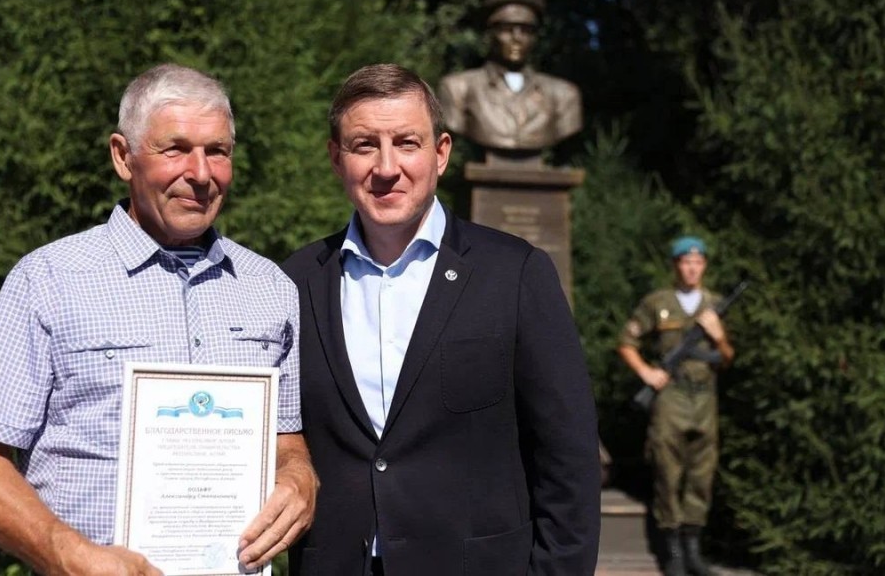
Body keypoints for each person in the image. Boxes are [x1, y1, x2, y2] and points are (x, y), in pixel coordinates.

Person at [0, 63, 317, 575]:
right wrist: (70, 556)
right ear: (123, 156)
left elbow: (285, 439)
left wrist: (298, 476)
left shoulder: (269, 287)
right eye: (175, 149)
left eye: (217, 151)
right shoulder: (49, 279)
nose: (200, 173)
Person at [282, 63, 601, 576]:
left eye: (407, 143)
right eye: (365, 146)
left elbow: (569, 457)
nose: (386, 167)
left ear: (441, 152)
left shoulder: (515, 273)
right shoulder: (295, 282)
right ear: (336, 158)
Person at [617, 236, 735, 576]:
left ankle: (693, 549)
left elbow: (727, 358)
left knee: (702, 472)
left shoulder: (714, 304)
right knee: (667, 470)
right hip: (671, 396)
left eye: (698, 262)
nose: (692, 268)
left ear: (704, 266)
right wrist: (646, 373)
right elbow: (626, 342)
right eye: (686, 262)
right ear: (675, 266)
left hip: (705, 397)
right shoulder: (658, 302)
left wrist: (719, 336)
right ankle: (671, 552)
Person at [437, 0, 582, 156]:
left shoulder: (564, 95)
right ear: (490, 34)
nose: (517, 38)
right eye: (507, 29)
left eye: (526, 31)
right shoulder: (458, 88)